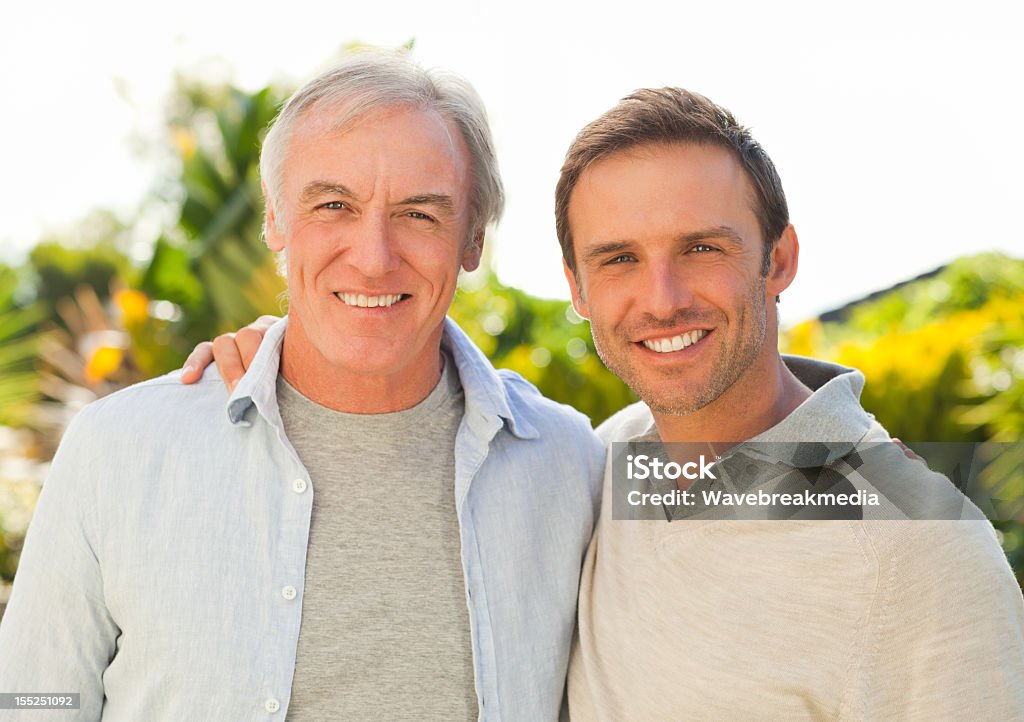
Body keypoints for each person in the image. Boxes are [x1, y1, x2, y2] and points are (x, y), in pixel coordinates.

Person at [193, 87, 1024, 719]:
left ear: (778, 260)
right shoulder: (608, 461)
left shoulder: (920, 547)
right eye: (619, 259)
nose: (661, 301)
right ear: (578, 289)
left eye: (701, 248)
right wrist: (300, 353)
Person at [0, 52, 604, 721]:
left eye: (418, 214)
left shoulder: (571, 463)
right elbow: (32, 697)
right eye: (333, 205)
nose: (373, 258)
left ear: (473, 238)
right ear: (275, 222)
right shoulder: (118, 449)